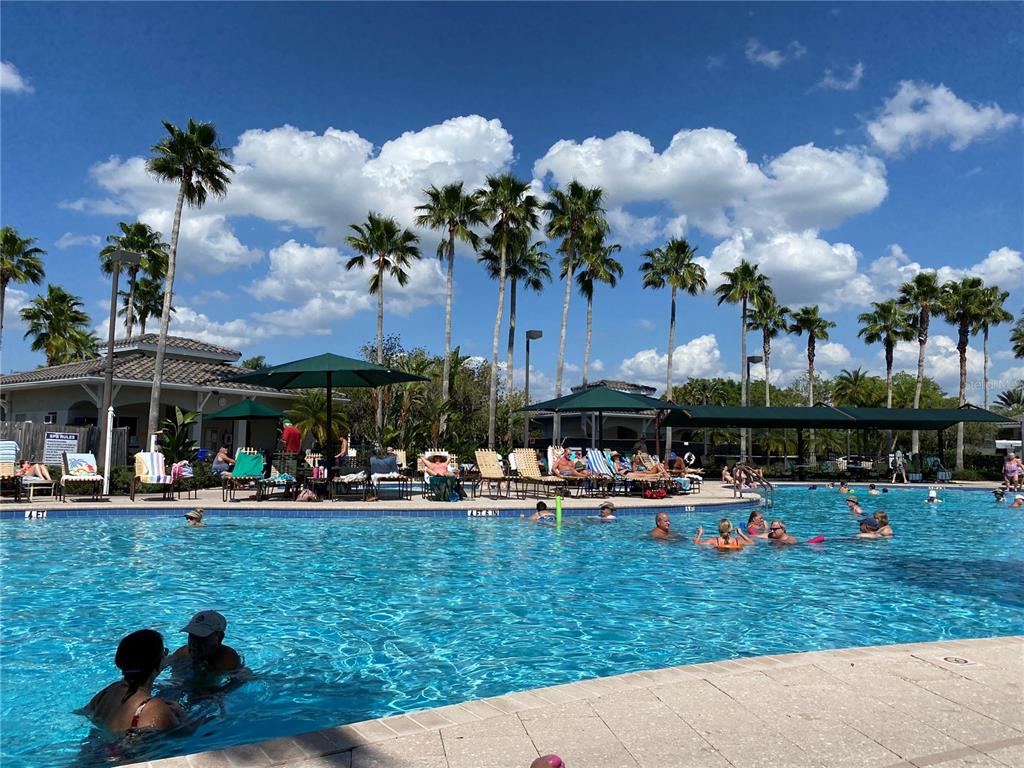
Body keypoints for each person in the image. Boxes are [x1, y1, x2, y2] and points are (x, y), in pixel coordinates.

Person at [83, 629, 182, 734]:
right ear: (156, 663)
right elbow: (182, 736)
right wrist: (182, 716)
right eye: (164, 653)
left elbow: (83, 713)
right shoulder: (154, 708)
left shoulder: (107, 692)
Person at [167, 611, 241, 675]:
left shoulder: (227, 659)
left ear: (219, 638)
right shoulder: (182, 654)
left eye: (201, 638)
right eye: (192, 636)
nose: (194, 644)